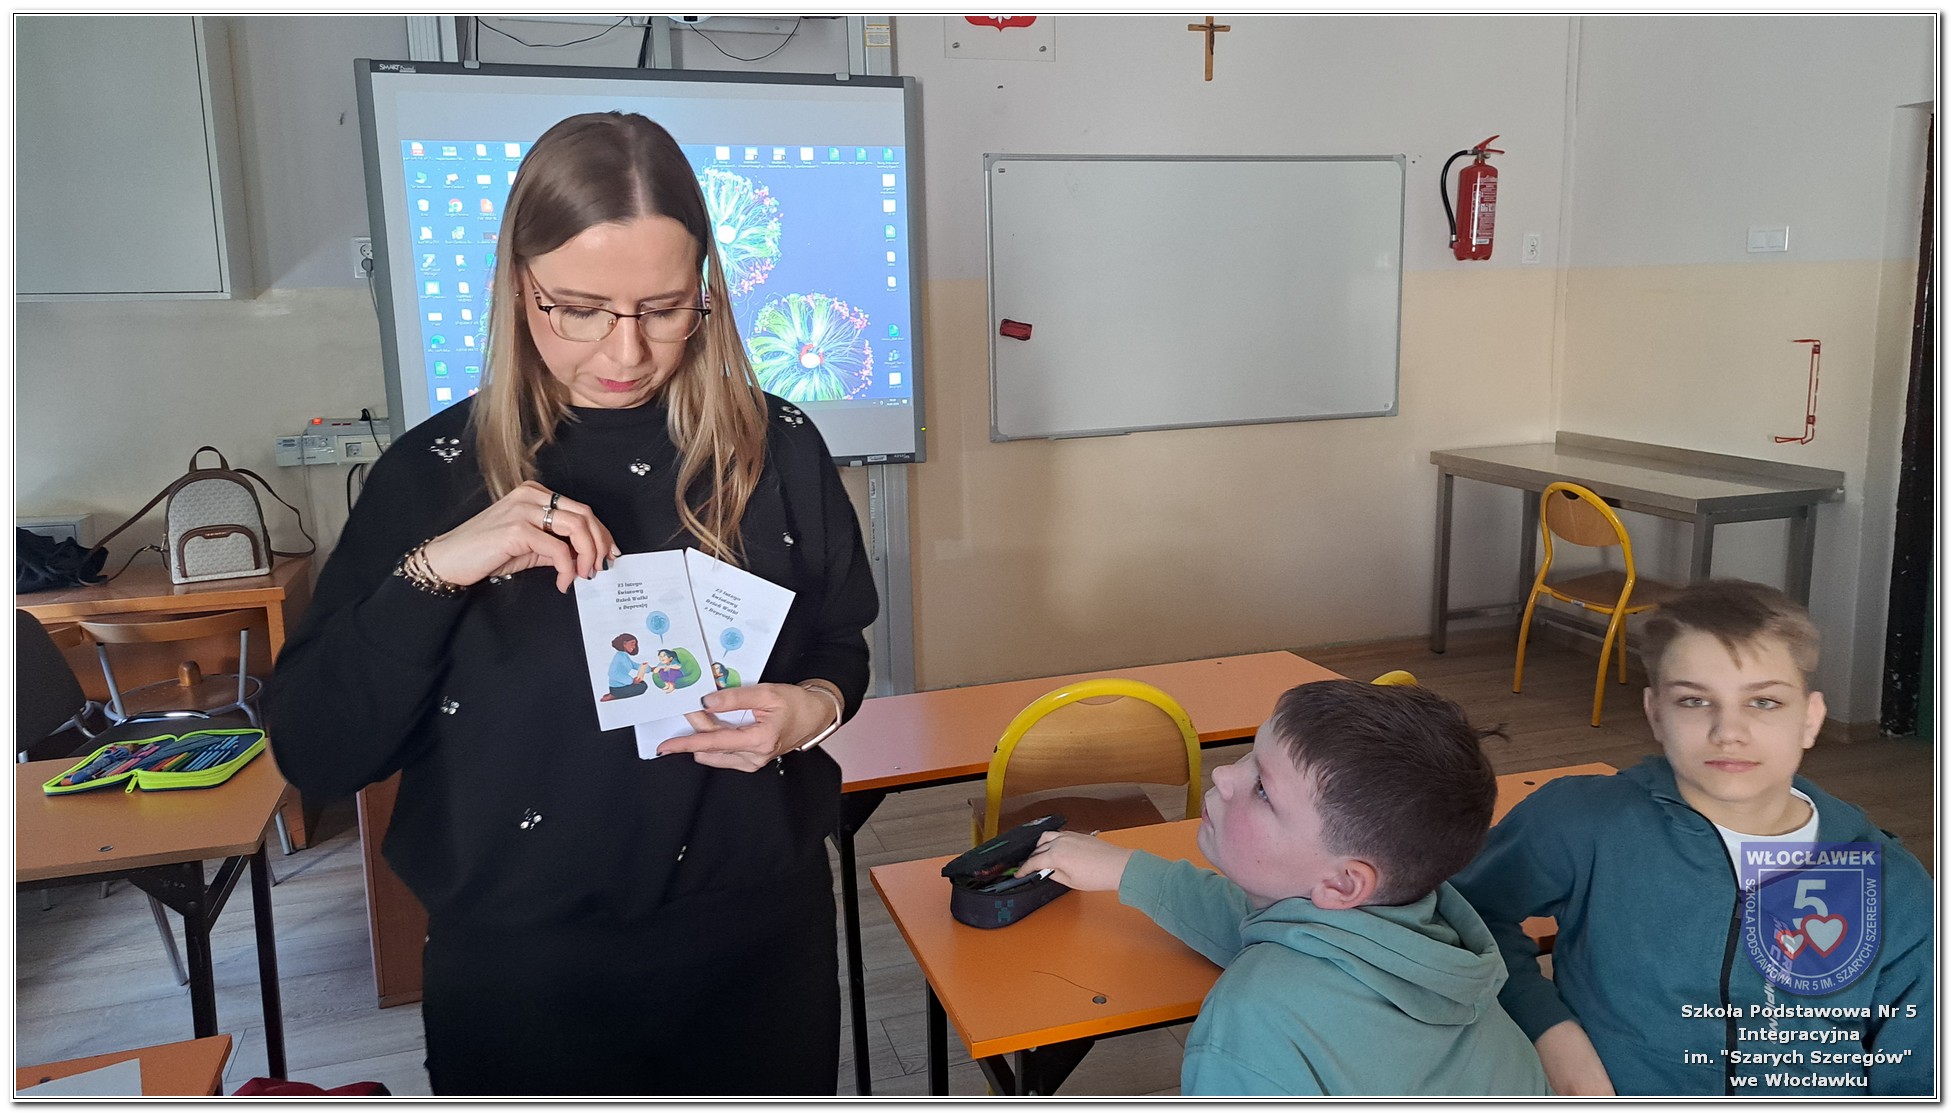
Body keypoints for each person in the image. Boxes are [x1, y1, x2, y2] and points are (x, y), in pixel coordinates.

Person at [264, 112, 879, 1096]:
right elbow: (320, 751)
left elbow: (839, 644)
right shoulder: (430, 475)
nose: (625, 351)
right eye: (580, 310)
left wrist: (814, 709)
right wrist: (435, 571)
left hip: (759, 945)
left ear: (706, 290)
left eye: (665, 309)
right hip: (522, 975)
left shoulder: (780, 449)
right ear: (520, 286)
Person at [1450, 579, 1933, 1096]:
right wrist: (1550, 1033)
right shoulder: (1580, 821)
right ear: (1655, 713)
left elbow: (1918, 1077)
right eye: (1694, 700)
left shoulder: (1896, 888)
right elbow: (1462, 916)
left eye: (1764, 701)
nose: (1729, 731)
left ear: (1811, 719)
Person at [1022, 680, 1551, 1096]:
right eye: (1251, 754)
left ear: (1343, 882)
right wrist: (1129, 871)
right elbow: (1276, 927)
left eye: (1263, 790)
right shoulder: (1431, 935)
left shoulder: (1252, 1021)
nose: (1224, 775)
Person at [606, 633, 649, 699]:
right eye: (632, 643)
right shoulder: (619, 656)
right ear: (624, 643)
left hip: (624, 684)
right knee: (642, 687)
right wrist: (631, 681)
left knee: (642, 683)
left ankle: (614, 694)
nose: (634, 646)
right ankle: (614, 695)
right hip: (617, 688)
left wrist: (649, 669)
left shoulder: (624, 655)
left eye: (635, 644)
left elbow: (633, 665)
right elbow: (612, 673)